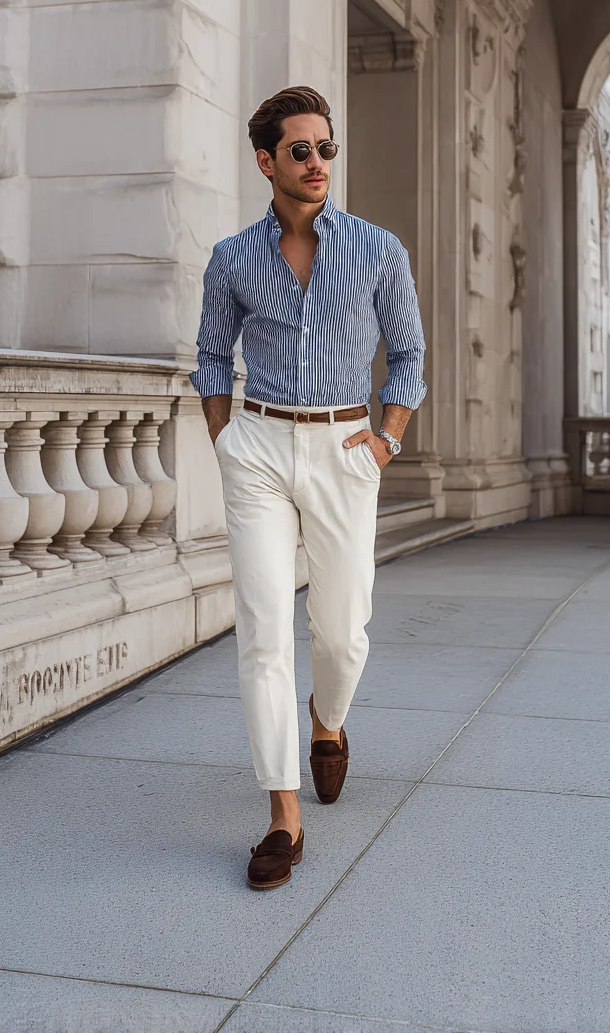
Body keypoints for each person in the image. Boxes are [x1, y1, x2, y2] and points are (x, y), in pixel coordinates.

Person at [190, 85, 426, 890]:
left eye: (327, 148)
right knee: (262, 631)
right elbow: (212, 354)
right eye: (301, 150)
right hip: (258, 446)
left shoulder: (377, 250)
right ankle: (282, 816)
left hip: (344, 446)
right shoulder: (233, 258)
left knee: (343, 631)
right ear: (267, 162)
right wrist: (226, 439)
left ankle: (328, 722)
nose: (318, 162)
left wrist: (388, 438)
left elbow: (409, 354)